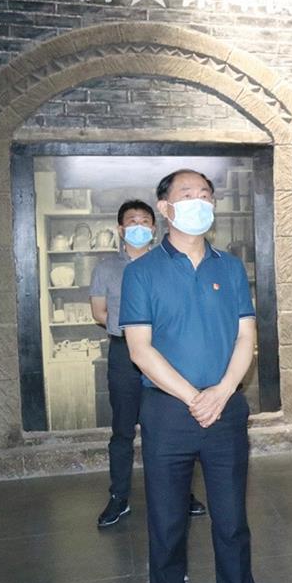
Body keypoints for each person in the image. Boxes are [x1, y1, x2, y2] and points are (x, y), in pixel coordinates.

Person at [119, 170, 272, 583]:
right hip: (168, 412)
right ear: (165, 207)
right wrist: (193, 397)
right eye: (187, 195)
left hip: (226, 408)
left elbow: (246, 335)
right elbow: (140, 349)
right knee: (167, 523)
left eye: (206, 195)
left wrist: (222, 391)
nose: (199, 202)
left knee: (231, 520)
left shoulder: (230, 267)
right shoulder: (141, 272)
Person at [91, 200, 206, 528]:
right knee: (123, 429)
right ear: (121, 229)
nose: (139, 226)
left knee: (173, 425)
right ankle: (119, 497)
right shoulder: (106, 268)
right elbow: (99, 312)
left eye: (145, 221)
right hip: (123, 354)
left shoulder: (168, 264)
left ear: (154, 228)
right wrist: (134, 332)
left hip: (166, 351)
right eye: (132, 221)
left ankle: (183, 494)